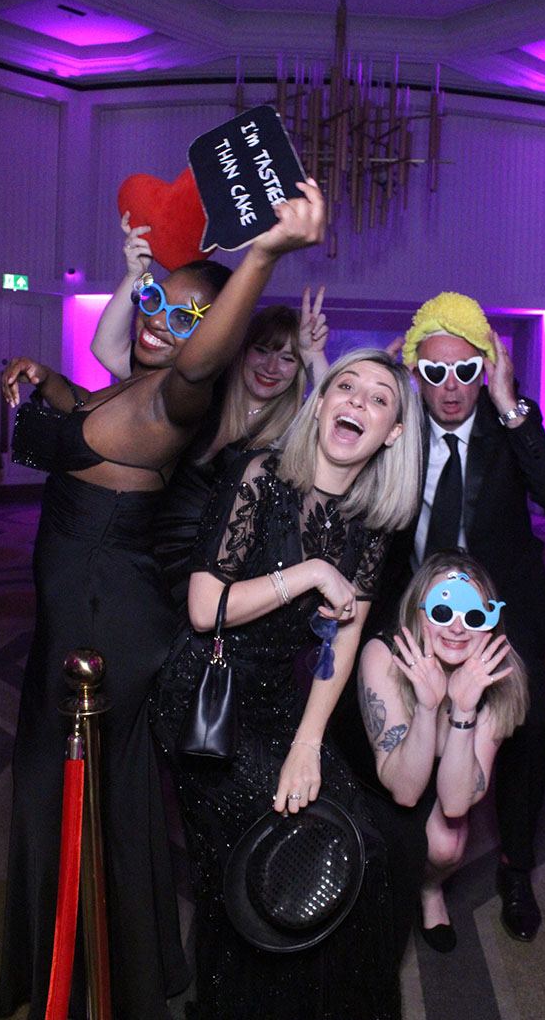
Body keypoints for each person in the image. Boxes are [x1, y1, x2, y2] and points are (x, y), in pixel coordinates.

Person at [0, 180, 325, 1020]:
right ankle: (84, 957)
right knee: (79, 790)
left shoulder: (176, 398)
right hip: (80, 616)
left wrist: (264, 253)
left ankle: (94, 974)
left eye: (187, 318)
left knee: (81, 792)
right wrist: (48, 380)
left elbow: (200, 362)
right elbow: (88, 415)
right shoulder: (128, 389)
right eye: (155, 303)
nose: (160, 324)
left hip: (105, 627)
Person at [151, 348, 422, 1020]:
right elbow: (203, 607)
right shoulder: (260, 476)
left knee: (360, 843)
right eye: (345, 386)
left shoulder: (370, 523)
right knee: (265, 851)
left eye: (378, 398)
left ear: (393, 433)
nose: (357, 402)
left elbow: (343, 643)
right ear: (321, 402)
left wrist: (308, 743)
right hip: (207, 695)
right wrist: (308, 574)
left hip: (279, 701)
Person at [362, 290, 545, 943]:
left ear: (486, 369)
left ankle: (517, 869)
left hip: (503, 612)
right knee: (389, 718)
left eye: (466, 369)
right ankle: (412, 862)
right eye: (436, 371)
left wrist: (511, 404)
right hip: (416, 610)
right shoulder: (400, 429)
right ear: (416, 374)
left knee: (529, 734)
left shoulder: (508, 422)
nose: (452, 385)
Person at [92, 213, 330, 609]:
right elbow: (108, 351)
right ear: (238, 349)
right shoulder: (201, 396)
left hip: (219, 585)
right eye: (262, 350)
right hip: (147, 564)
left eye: (288, 359)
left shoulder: (291, 431)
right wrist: (134, 276)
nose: (271, 367)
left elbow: (336, 425)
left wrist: (313, 355)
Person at [359, 551, 528, 952]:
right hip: (375, 778)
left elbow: (455, 804)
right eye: (441, 611)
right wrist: (427, 707)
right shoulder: (384, 655)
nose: (456, 627)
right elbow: (403, 791)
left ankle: (430, 888)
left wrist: (464, 710)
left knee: (447, 843)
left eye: (473, 615)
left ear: (491, 623)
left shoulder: (501, 679)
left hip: (445, 777)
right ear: (418, 614)